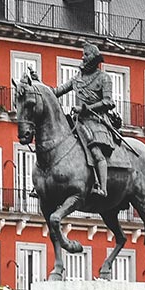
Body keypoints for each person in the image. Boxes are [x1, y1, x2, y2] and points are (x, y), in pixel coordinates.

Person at [53, 46, 122, 197]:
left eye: (86, 55)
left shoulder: (104, 78)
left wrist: (86, 108)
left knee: (96, 153)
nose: (83, 58)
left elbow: (108, 102)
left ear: (93, 58)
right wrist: (39, 86)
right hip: (78, 121)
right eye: (83, 55)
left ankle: (103, 188)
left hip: (97, 121)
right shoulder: (77, 79)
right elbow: (57, 92)